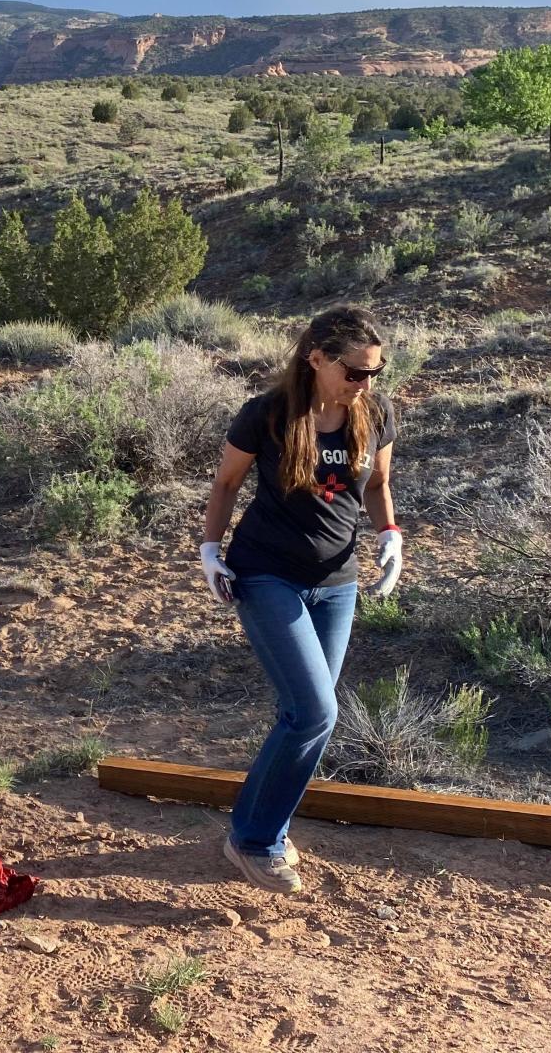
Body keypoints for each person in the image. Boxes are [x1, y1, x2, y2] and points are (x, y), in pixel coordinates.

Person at [199, 305, 403, 895]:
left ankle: (260, 828)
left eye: (374, 373)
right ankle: (258, 842)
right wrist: (211, 549)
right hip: (265, 575)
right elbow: (227, 484)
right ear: (316, 358)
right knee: (315, 712)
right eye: (355, 371)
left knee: (305, 717)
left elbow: (379, 485)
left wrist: (390, 534)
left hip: (338, 581)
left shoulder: (375, 413)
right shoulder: (266, 415)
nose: (364, 383)